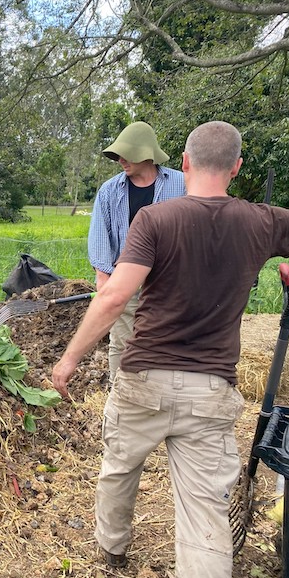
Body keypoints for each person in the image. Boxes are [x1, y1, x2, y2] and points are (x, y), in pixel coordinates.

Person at [51, 121, 289, 578]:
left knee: (120, 466)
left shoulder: (154, 219)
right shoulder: (264, 221)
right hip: (210, 389)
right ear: (236, 166)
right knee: (204, 506)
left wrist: (68, 360)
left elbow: (113, 297)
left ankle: (112, 549)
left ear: (185, 163)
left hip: (142, 381)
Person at [88, 121, 185, 382]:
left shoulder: (181, 184)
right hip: (126, 281)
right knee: (121, 342)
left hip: (170, 283)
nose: (120, 160)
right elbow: (99, 236)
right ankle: (119, 391)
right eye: (117, 154)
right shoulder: (110, 191)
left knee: (168, 342)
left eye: (126, 154)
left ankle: (160, 393)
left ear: (145, 153)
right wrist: (104, 278)